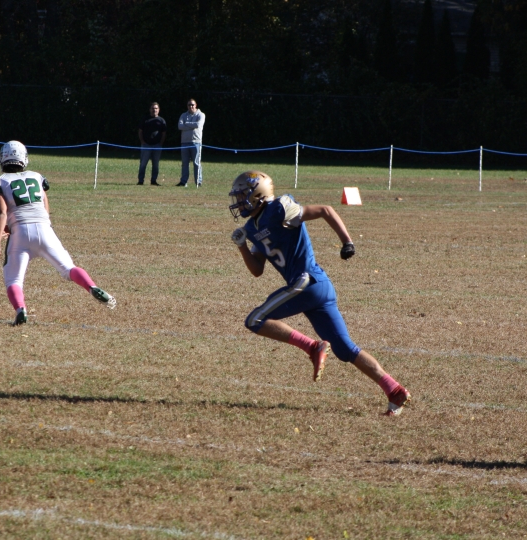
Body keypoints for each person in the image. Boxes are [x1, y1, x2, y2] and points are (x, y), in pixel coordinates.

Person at [228, 171, 411, 416]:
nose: (239, 201)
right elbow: (257, 270)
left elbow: (325, 210)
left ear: (259, 193)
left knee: (254, 320)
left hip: (307, 282)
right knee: (345, 349)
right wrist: (242, 247)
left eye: (243, 195)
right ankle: (394, 390)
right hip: (317, 288)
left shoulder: (280, 208)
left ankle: (313, 347)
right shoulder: (252, 226)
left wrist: (347, 242)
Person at [0, 140, 117, 325]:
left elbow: (1, 212)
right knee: (68, 268)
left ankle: (20, 309)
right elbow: (45, 205)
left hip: (20, 233)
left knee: (14, 279)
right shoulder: (36, 176)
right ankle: (92, 286)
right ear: (24, 158)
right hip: (45, 228)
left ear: (2, 159)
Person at [176, 99, 205, 187]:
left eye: (192, 105)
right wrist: (191, 125)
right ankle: (183, 182)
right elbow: (180, 126)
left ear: (196, 105)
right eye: (189, 105)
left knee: (196, 163)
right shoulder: (183, 115)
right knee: (185, 163)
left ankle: (198, 181)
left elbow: (198, 125)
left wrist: (186, 124)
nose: (190, 106)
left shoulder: (201, 115)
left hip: (196, 142)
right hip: (184, 142)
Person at [137, 102, 166, 186]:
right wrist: (142, 142)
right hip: (146, 145)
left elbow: (164, 133)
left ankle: (154, 181)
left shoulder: (162, 121)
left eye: (156, 108)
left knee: (155, 165)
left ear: (159, 110)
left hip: (157, 146)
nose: (154, 110)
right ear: (150, 110)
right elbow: (140, 131)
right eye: (153, 108)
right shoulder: (145, 119)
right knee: (143, 164)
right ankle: (140, 180)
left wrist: (160, 143)